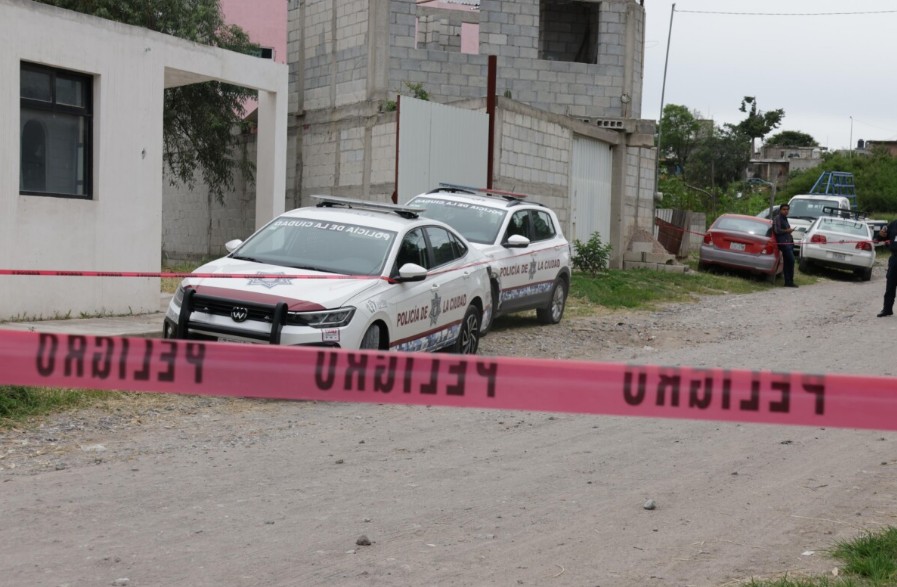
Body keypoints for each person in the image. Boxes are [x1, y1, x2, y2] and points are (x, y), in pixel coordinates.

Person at [773, 203, 798, 288]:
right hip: (783, 243)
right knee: (791, 260)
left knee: (788, 262)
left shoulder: (785, 219)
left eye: (787, 209)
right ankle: (788, 281)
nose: (786, 211)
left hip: (789, 242)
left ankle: (789, 282)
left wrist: (789, 231)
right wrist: (787, 230)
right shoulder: (777, 218)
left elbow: (785, 230)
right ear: (780, 210)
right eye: (784, 209)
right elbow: (777, 230)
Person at [877, 220, 897, 317]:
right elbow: (880, 238)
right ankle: (887, 309)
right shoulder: (893, 225)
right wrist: (881, 235)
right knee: (890, 285)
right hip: (895, 258)